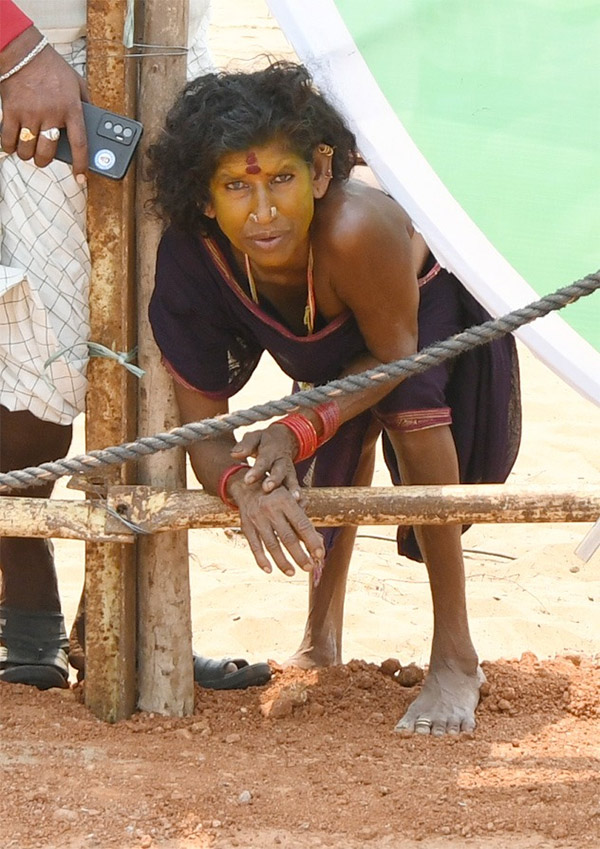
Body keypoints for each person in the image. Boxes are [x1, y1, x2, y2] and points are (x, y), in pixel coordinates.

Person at [147, 61, 521, 735]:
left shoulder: (354, 227)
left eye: (282, 180)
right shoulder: (191, 259)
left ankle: (456, 655)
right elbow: (200, 434)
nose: (263, 211)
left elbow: (396, 352)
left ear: (321, 172)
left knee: (408, 407)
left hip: (412, 310)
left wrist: (298, 426)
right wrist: (242, 485)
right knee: (331, 433)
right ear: (204, 198)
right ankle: (320, 639)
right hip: (333, 337)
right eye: (236, 186)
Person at [0, 0, 271, 692]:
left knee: (172, 357)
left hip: (178, 69)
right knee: (36, 377)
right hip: (36, 81)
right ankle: (26, 606)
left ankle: (131, 624)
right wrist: (15, 49)